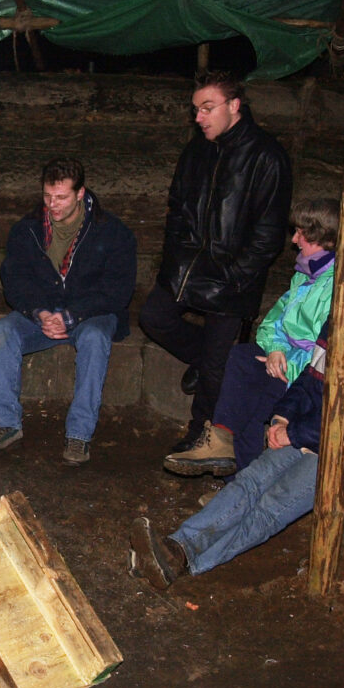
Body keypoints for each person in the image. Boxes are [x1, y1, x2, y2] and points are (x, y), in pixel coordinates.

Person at [130, 243, 344, 590]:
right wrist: (284, 418)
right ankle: (176, 548)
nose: (338, 284)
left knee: (272, 505)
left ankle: (185, 563)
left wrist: (297, 434)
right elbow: (311, 379)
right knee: (251, 480)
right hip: (320, 427)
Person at [140, 71, 292, 455]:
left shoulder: (266, 156)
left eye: (207, 108)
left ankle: (202, 434)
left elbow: (269, 234)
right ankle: (202, 356)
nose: (199, 117)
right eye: (196, 109)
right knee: (154, 317)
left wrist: (234, 275)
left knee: (214, 367)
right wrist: (175, 257)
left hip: (232, 278)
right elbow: (177, 208)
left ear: (234, 106)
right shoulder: (197, 151)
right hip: (188, 269)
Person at [0, 158, 136, 465]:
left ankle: (79, 434)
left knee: (95, 338)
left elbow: (117, 291)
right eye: (47, 196)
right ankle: (6, 425)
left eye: (61, 197)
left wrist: (73, 315)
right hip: (44, 315)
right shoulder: (28, 229)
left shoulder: (111, 231)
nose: (53, 205)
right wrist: (38, 312)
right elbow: (14, 279)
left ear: (80, 193)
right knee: (3, 331)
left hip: (91, 314)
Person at [165, 198, 339, 477]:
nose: (294, 240)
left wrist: (284, 361)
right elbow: (273, 320)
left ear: (324, 238)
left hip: (308, 372)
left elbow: (324, 348)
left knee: (257, 392)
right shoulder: (306, 273)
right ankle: (222, 443)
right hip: (284, 358)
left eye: (301, 234)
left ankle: (239, 478)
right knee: (242, 358)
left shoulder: (336, 284)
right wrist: (276, 349)